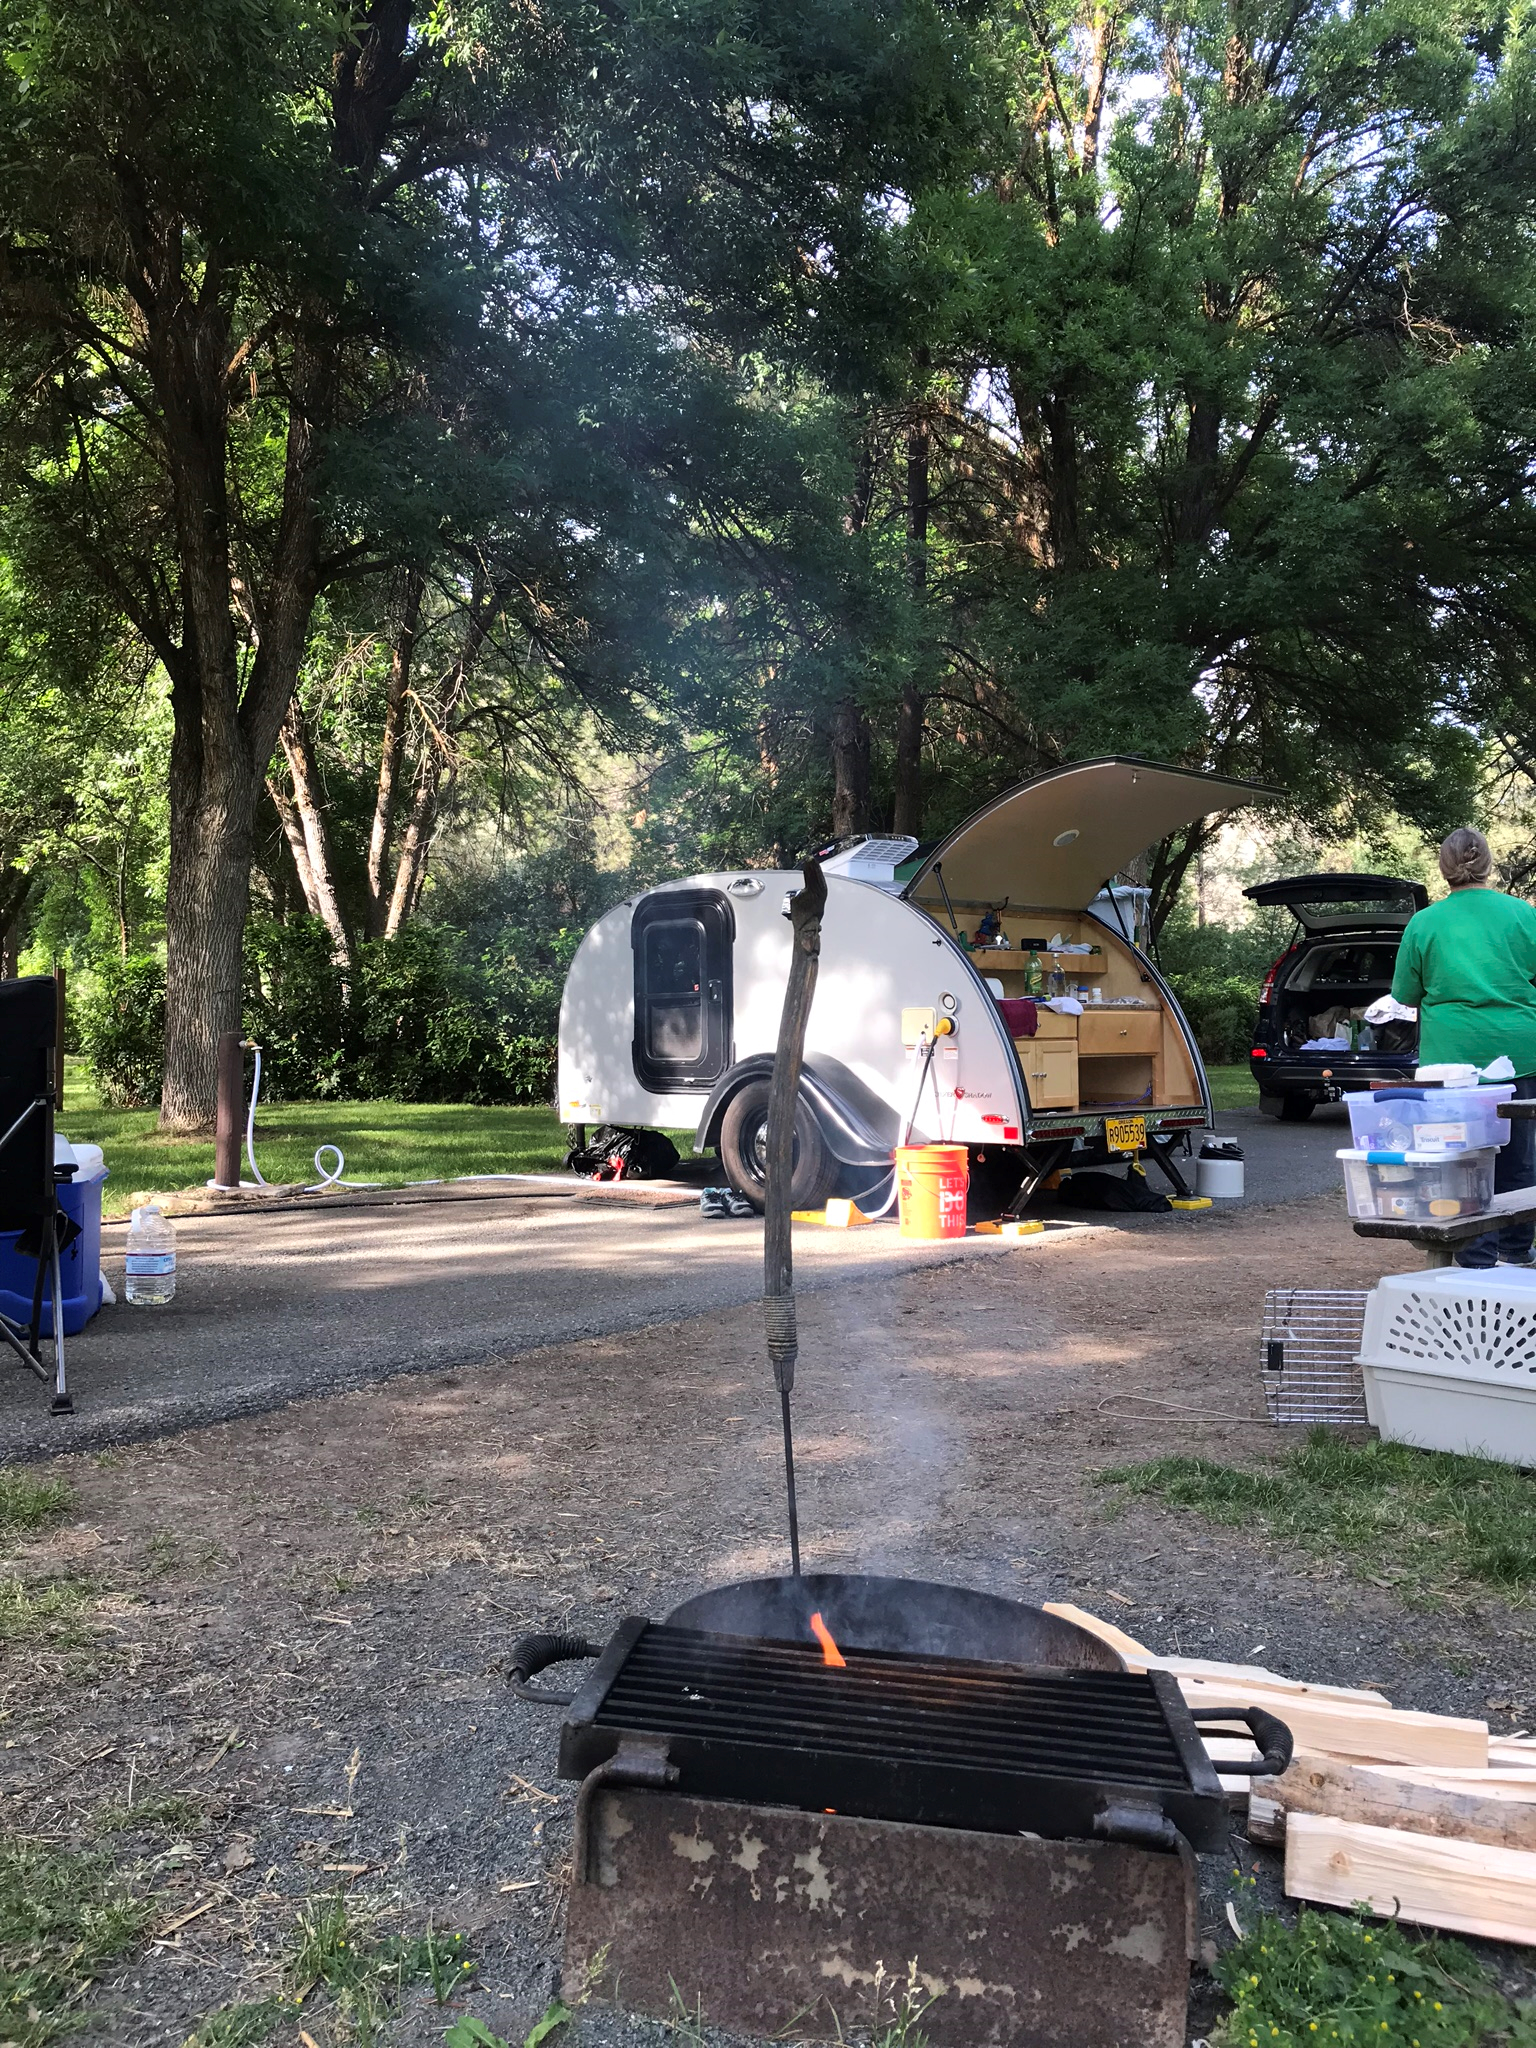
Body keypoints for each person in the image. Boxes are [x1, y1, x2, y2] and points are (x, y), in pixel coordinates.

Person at [1390, 828, 1536, 1267]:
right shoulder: (1523, 914)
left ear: (1444, 868)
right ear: (1487, 865)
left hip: (1452, 1061)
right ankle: (1517, 1251)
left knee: (1462, 1157)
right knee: (1520, 1156)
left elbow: (1405, 994)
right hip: (1520, 1051)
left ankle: (1475, 1259)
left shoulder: (1425, 923)